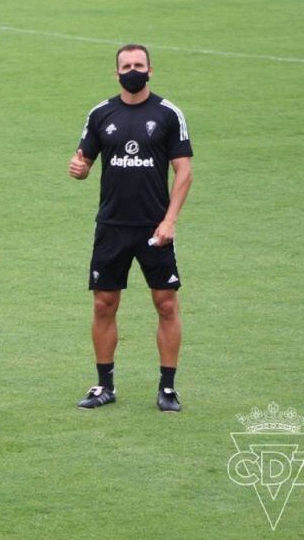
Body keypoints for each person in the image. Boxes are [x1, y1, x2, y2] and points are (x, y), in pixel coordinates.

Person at [68, 44, 193, 412]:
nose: (133, 70)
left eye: (139, 64)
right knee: (104, 304)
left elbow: (183, 171)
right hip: (111, 226)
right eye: (126, 65)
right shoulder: (101, 114)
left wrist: (170, 220)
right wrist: (79, 170)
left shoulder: (168, 114)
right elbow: (84, 161)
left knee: (166, 303)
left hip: (154, 227)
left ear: (151, 70)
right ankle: (104, 386)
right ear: (116, 72)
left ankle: (167, 389)